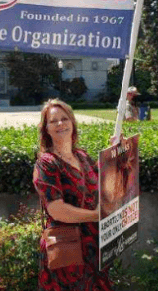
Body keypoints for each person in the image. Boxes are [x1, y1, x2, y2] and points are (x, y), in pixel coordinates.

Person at [33, 99, 114, 290]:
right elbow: (58, 210)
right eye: (53, 121)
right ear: (46, 129)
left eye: (64, 118)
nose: (60, 124)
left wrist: (115, 153)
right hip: (67, 251)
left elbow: (106, 184)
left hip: (93, 247)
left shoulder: (83, 157)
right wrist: (96, 215)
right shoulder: (47, 163)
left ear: (72, 122)